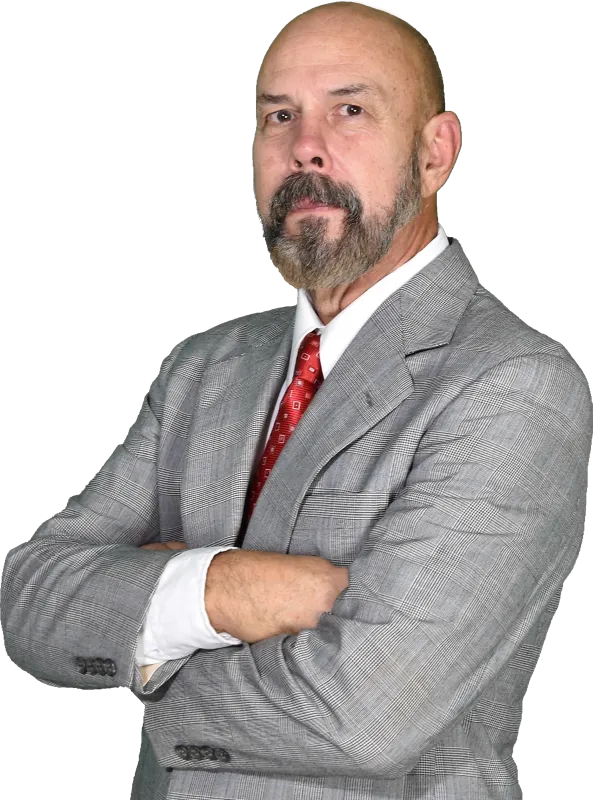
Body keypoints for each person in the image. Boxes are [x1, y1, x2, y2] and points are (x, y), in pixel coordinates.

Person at [2, 2, 590, 799]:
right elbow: (25, 597)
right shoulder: (205, 365)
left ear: (434, 152)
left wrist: (139, 638)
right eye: (279, 115)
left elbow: (363, 717)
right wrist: (223, 589)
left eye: (349, 110)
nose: (303, 145)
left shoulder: (514, 383)